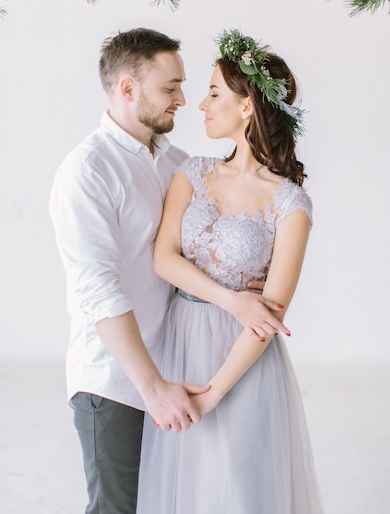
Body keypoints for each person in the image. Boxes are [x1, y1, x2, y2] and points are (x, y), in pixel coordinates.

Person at [49, 27, 280, 514]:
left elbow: (190, 253)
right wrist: (150, 388)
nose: (183, 98)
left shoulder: (178, 163)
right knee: (118, 508)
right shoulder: (87, 171)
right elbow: (99, 291)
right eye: (169, 87)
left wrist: (237, 281)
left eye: (183, 84)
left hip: (181, 368)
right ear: (128, 89)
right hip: (116, 381)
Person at [137, 29, 325, 514]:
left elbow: (270, 314)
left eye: (214, 91)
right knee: (188, 488)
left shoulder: (290, 203)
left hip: (243, 360)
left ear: (247, 107)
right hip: (181, 343)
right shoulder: (193, 173)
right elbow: (165, 258)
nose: (200, 103)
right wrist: (233, 298)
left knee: (240, 489)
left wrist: (214, 393)